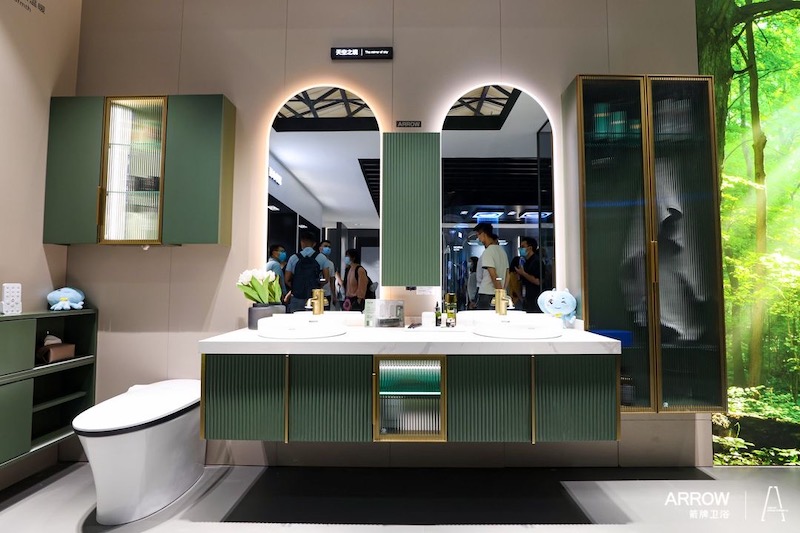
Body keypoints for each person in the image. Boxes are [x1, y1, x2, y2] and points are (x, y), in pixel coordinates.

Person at [285, 231, 329, 313]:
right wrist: (317, 285)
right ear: (314, 244)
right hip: (315, 297)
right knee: (315, 319)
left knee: (296, 318)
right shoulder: (322, 258)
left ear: (301, 242)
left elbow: (287, 279)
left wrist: (297, 287)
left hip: (297, 296)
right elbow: (326, 279)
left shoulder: (293, 258)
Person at [473, 222, 509, 310]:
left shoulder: (488, 252)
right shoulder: (502, 251)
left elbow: (493, 275)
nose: (478, 238)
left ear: (483, 234)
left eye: (478, 235)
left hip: (487, 293)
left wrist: (500, 294)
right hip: (499, 292)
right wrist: (503, 291)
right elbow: (507, 274)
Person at [515, 236, 542, 312]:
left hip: (535, 298)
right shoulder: (526, 261)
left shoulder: (536, 261)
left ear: (530, 248)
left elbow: (538, 281)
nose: (520, 249)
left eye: (522, 247)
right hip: (527, 297)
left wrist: (523, 273)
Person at [342, 248, 368, 312]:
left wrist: (359, 300)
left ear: (353, 258)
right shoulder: (348, 269)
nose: (346, 258)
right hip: (348, 299)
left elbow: (362, 286)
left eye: (347, 256)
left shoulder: (359, 270)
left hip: (356, 300)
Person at [317, 239, 338, 310]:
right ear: (320, 248)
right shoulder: (315, 260)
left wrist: (334, 295)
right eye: (325, 246)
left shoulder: (330, 264)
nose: (328, 248)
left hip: (327, 293)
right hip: (316, 292)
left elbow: (332, 280)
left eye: (329, 247)